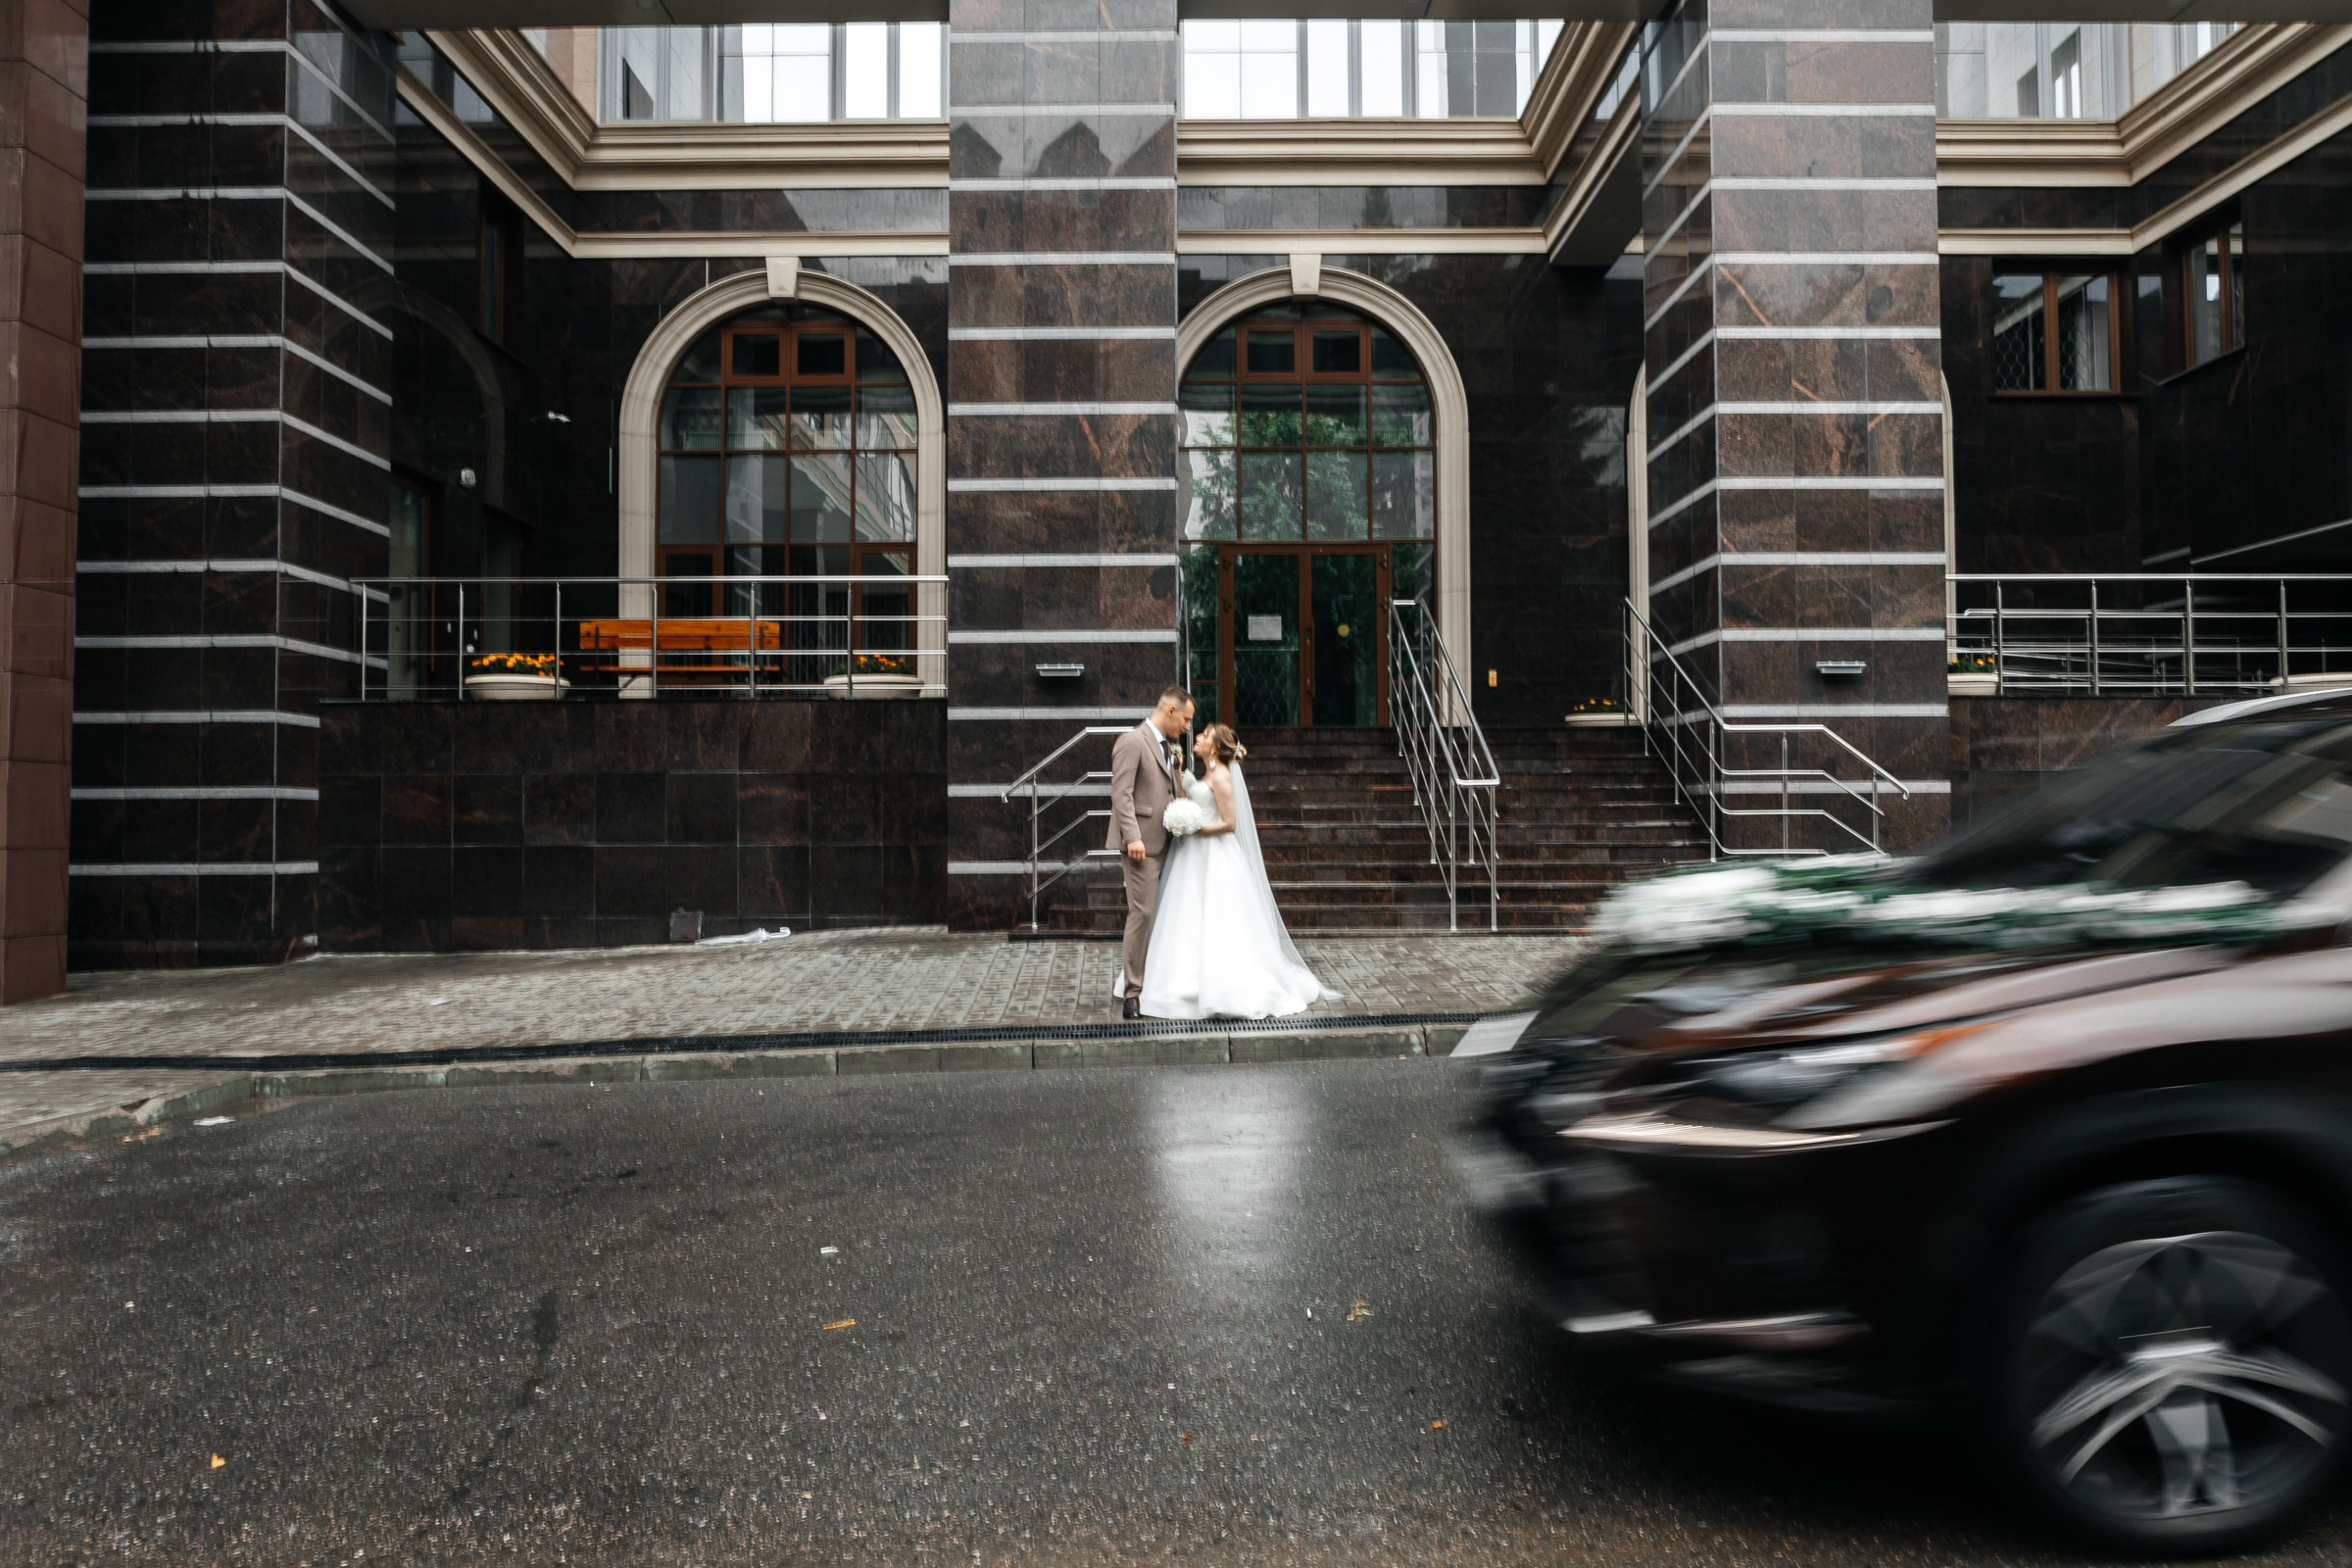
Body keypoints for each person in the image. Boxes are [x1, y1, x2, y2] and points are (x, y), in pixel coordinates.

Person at [1138, 723, 1333, 1020]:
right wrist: (1179, 782)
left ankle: (1221, 984)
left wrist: (1194, 827)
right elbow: (1189, 801)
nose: (1198, 737)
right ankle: (1183, 983)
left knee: (1218, 918)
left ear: (1215, 747)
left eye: (1204, 735)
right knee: (1187, 915)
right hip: (1191, 855)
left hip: (1215, 854)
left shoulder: (1223, 776)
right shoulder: (1205, 774)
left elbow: (1229, 823)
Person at [1106, 686, 1195, 1020]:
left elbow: (1174, 791)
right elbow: (1122, 794)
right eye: (1186, 719)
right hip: (1142, 846)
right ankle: (1133, 993)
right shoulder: (1132, 741)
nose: (1187, 727)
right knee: (1141, 914)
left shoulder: (1170, 747)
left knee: (1164, 915)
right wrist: (1132, 837)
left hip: (1170, 841)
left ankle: (1160, 983)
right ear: (1170, 711)